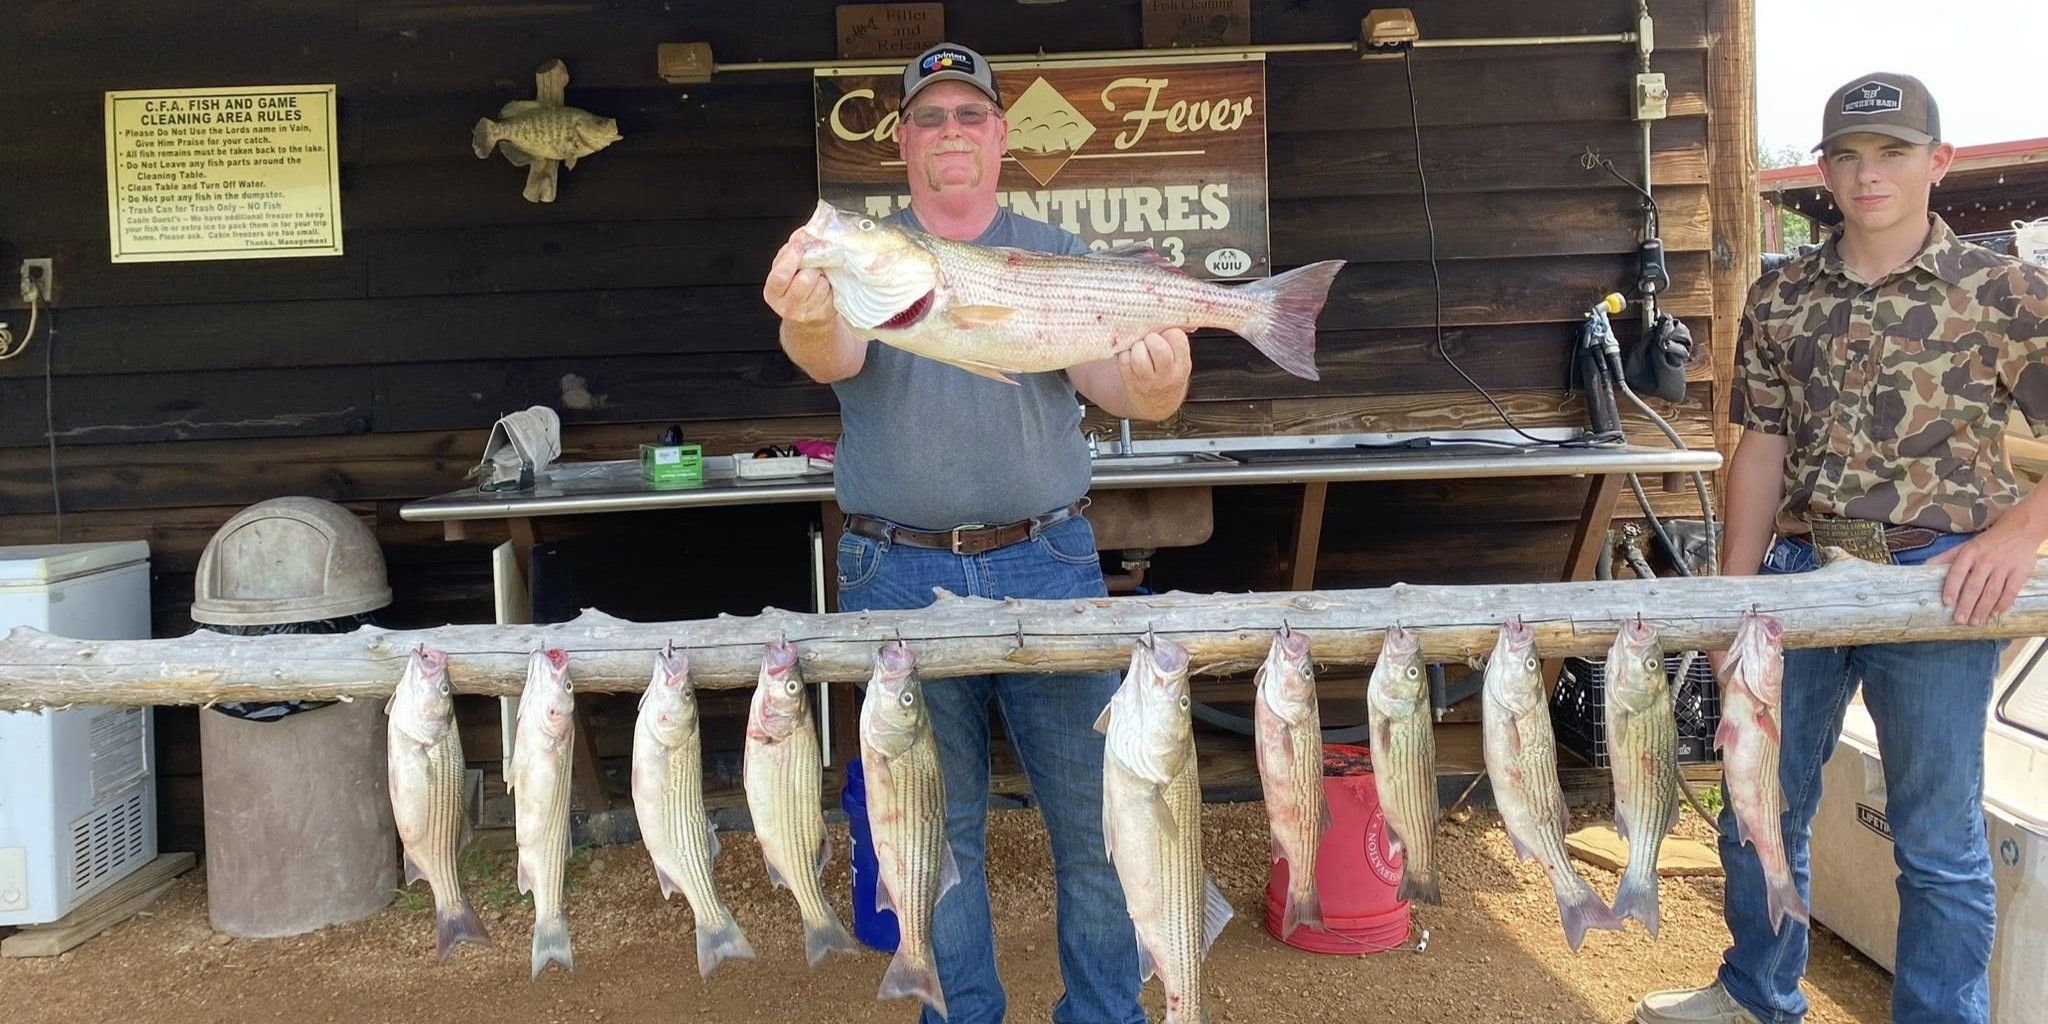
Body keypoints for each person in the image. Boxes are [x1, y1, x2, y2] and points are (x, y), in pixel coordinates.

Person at [760, 42, 1194, 1024]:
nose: (948, 132)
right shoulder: (870, 259)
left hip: (1049, 560)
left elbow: (1119, 385)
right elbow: (825, 348)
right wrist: (799, 312)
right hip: (893, 568)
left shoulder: (1056, 254)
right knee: (930, 829)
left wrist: (1159, 382)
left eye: (967, 115)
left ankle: (1104, 1014)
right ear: (903, 142)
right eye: (929, 118)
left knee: (1098, 817)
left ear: (998, 134)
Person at [1637, 72, 2048, 1024]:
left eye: (1894, 153)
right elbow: (1762, 446)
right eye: (1850, 156)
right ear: (1825, 168)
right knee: (1757, 807)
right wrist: (1726, 598)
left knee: (1936, 840)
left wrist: (2019, 531)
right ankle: (1756, 994)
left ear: (1937, 162)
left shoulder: (2004, 292)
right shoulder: (1782, 293)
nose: (1870, 176)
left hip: (1939, 584)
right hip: (1801, 571)